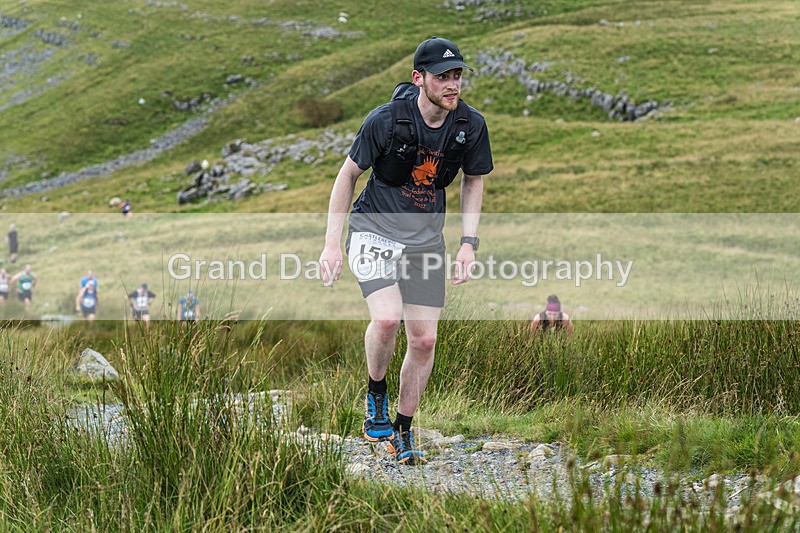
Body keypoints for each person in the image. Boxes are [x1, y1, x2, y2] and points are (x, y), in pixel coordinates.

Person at [319, 37, 493, 465]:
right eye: (443, 76)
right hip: (373, 231)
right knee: (386, 319)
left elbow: (474, 179)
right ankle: (375, 394)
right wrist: (331, 244)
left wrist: (468, 244)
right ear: (419, 79)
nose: (453, 84)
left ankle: (403, 429)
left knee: (425, 339)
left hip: (425, 241)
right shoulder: (385, 120)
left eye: (457, 75)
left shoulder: (470, 125)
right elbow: (347, 176)